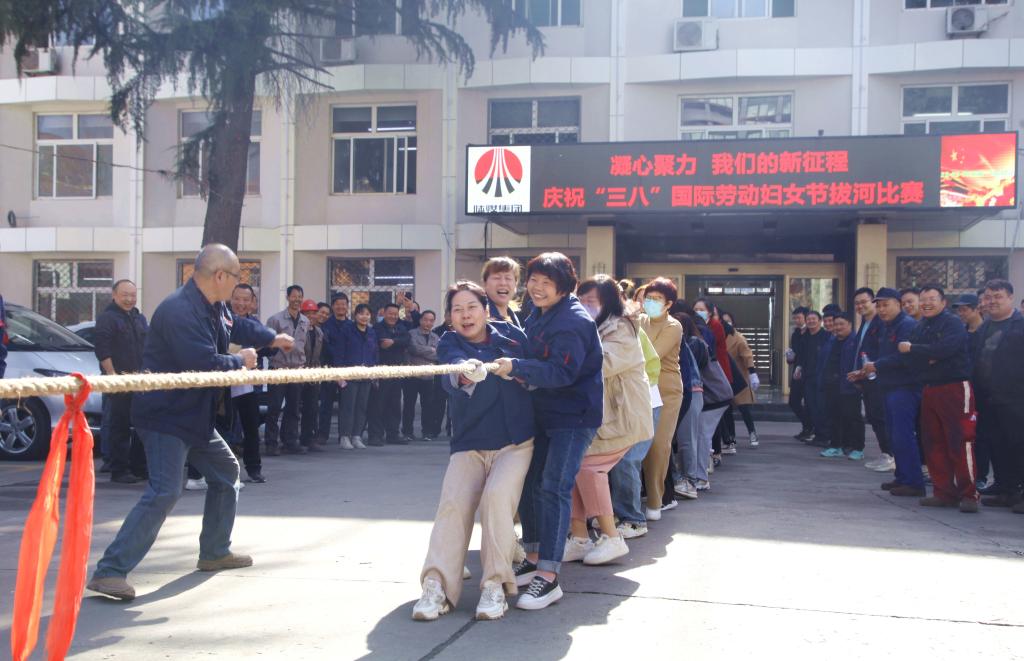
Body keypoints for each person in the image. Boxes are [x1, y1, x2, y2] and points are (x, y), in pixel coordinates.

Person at [86, 244, 292, 601]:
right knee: (165, 491)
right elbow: (201, 363)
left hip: (193, 415)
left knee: (226, 471)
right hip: (164, 415)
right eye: (237, 277)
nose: (238, 286)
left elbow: (238, 326)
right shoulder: (179, 310)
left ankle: (214, 551)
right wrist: (241, 361)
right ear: (220, 276)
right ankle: (110, 571)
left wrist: (270, 338)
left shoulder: (215, 305)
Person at [411, 281, 534, 622]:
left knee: (496, 500)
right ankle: (436, 585)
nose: (465, 316)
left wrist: (519, 371)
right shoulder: (450, 343)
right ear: (450, 317)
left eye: (471, 308)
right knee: (453, 503)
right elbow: (451, 374)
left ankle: (495, 584)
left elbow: (535, 374)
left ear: (485, 309)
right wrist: (467, 374)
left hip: (515, 442)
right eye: (457, 310)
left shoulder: (513, 337)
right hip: (469, 442)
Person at [493, 252, 603, 611]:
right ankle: (534, 554)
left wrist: (516, 367)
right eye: (534, 280)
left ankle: (549, 575)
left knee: (554, 486)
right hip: (542, 412)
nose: (537, 288)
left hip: (573, 417)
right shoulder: (539, 313)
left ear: (564, 287)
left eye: (546, 283)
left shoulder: (573, 321)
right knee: (531, 481)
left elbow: (561, 372)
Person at [563, 276, 652, 566]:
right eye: (581, 300)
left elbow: (601, 365)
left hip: (622, 417)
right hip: (601, 418)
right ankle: (579, 538)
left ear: (609, 303)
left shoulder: (622, 328)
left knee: (588, 468)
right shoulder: (594, 326)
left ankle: (612, 537)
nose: (585, 306)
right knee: (573, 468)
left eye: (592, 302)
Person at [893, 285, 978, 512]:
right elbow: (907, 357)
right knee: (933, 442)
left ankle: (969, 494)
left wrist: (916, 350)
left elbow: (945, 349)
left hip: (955, 387)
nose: (926, 304)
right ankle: (943, 493)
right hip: (930, 389)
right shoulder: (920, 326)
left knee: (960, 441)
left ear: (943, 302)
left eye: (932, 299)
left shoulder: (952, 323)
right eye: (923, 299)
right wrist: (926, 353)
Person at [856, 288, 924, 497]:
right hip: (888, 386)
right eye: (879, 306)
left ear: (898, 304)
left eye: (886, 305)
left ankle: (913, 481)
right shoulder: (887, 326)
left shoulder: (907, 325)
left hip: (905, 387)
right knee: (894, 435)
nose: (882, 310)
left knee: (904, 435)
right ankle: (902, 476)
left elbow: (904, 357)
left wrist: (877, 365)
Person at [971, 279, 1024, 512]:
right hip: (988, 398)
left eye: (998, 296)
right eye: (988, 297)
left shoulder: (1020, 326)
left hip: (1016, 398)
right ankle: (1005, 489)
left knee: (1019, 446)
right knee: (997, 445)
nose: (992, 301)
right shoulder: (985, 327)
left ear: (1010, 298)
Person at [608, 315, 661, 537]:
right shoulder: (600, 329)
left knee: (627, 460)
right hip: (620, 407)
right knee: (610, 462)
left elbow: (653, 366)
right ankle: (612, 515)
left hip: (643, 405)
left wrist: (634, 389)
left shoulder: (628, 329)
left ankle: (633, 519)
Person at [93, 279, 149, 484]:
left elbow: (147, 346)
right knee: (119, 426)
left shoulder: (139, 318)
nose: (129, 299)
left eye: (132, 295)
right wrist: (112, 375)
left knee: (142, 425)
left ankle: (139, 467)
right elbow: (102, 349)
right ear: (114, 295)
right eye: (125, 295)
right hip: (118, 381)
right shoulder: (107, 318)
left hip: (139, 381)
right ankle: (119, 469)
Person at [638, 278, 684, 521]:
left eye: (657, 299)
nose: (651, 303)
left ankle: (655, 501)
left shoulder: (673, 326)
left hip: (666, 390)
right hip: (638, 387)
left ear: (668, 304)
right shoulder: (638, 320)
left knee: (658, 445)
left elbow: (653, 355)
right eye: (648, 298)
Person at [228, 284, 269, 483]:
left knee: (251, 426)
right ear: (231, 299)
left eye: (246, 300)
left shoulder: (254, 324)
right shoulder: (223, 321)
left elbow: (268, 347)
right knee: (225, 427)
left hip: (247, 383)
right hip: (224, 381)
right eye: (237, 299)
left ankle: (254, 469)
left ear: (252, 302)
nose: (241, 303)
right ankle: (226, 471)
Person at [264, 285, 310, 456]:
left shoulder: (305, 321)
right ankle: (271, 443)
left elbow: (305, 345)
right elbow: (268, 344)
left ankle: (290, 441)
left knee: (294, 408)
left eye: (300, 296)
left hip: (297, 370)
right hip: (279, 368)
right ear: (288, 297)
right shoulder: (275, 320)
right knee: (274, 407)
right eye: (294, 296)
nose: (297, 299)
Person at [853, 287, 894, 472]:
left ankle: (891, 455)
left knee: (880, 416)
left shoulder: (881, 323)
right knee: (873, 416)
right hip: (867, 377)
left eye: (864, 302)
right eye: (857, 303)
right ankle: (885, 453)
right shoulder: (864, 322)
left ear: (873, 302)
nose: (860, 306)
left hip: (879, 377)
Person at [819, 313, 865, 459]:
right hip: (831, 385)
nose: (838, 327)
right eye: (836, 324)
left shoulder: (856, 341)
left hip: (849, 385)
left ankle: (858, 448)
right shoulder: (831, 341)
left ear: (850, 325)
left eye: (841, 324)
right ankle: (835, 446)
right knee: (833, 417)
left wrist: (859, 381)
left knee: (852, 417)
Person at [672, 312, 708, 498]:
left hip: (691, 392)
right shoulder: (687, 341)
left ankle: (690, 481)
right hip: (688, 391)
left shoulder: (688, 342)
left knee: (687, 438)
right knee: (685, 438)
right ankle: (685, 479)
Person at [370, 303, 412, 444]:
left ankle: (393, 434)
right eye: (390, 313)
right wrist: (397, 341)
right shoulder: (377, 328)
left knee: (394, 404)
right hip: (381, 370)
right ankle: (375, 435)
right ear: (384, 313)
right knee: (378, 404)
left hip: (397, 371)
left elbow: (407, 340)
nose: (393, 316)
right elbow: (382, 343)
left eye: (395, 314)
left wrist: (393, 341)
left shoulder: (401, 327)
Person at [337, 303, 377, 449]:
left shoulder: (372, 332)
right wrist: (339, 374)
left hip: (366, 375)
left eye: (367, 314)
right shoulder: (347, 330)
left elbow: (375, 353)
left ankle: (356, 436)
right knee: (348, 407)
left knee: (361, 407)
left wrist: (374, 371)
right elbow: (339, 353)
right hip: (349, 375)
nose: (364, 317)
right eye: (361, 313)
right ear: (355, 315)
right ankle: (345, 437)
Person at [721, 312, 760, 448]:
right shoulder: (718, 336)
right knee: (727, 410)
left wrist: (752, 372)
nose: (726, 323)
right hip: (724, 377)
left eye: (728, 321)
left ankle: (752, 432)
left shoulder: (738, 338)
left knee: (744, 408)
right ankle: (731, 437)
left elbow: (747, 355)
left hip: (739, 377)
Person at [404, 310, 441, 441]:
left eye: (431, 320)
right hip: (413, 375)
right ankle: (407, 432)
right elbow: (413, 348)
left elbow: (439, 354)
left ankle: (427, 432)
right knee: (409, 405)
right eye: (425, 319)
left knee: (428, 406)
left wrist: (425, 352)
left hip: (429, 376)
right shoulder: (412, 333)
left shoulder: (435, 337)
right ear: (420, 320)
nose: (428, 323)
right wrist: (431, 350)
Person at [319, 293, 350, 445]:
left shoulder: (351, 325)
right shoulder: (326, 325)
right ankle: (322, 435)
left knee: (346, 405)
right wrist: (339, 358)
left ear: (347, 306)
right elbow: (326, 346)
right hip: (329, 369)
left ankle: (344, 435)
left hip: (347, 370)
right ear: (333, 306)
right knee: (326, 404)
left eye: (343, 304)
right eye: (338, 304)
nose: (341, 307)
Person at [798, 310, 829, 447]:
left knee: (822, 407)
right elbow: (802, 356)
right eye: (808, 319)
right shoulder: (805, 337)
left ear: (820, 320)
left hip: (822, 377)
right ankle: (818, 434)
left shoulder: (826, 336)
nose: (811, 321)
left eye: (813, 319)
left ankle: (825, 436)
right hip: (808, 377)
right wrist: (799, 368)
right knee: (811, 407)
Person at [299, 299, 326, 452]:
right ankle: (290, 439)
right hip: (298, 373)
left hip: (313, 375)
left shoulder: (319, 332)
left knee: (312, 408)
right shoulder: (298, 331)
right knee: (294, 408)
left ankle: (309, 439)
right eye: (307, 313)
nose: (311, 316)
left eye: (313, 313)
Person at [788, 307, 812, 440]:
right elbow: (795, 352)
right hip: (797, 372)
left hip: (809, 372)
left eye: (799, 318)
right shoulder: (796, 333)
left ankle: (810, 429)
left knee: (810, 403)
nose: (797, 320)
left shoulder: (811, 332)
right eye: (795, 318)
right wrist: (790, 358)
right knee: (793, 401)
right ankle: (807, 426)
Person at [483, 256, 523, 326]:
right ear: (485, 283)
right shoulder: (480, 317)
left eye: (508, 278)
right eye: (497, 278)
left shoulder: (516, 316)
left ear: (516, 284)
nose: (503, 283)